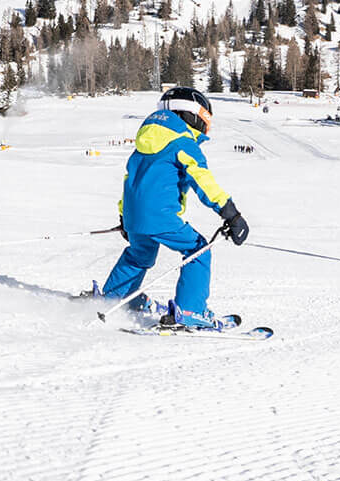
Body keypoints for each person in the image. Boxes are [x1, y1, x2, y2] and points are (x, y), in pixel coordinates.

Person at [99, 84, 250, 329]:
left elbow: (130, 182)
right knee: (198, 251)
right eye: (205, 120)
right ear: (193, 116)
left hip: (133, 217)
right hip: (161, 217)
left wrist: (124, 218)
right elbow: (203, 180)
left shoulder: (142, 146)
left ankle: (114, 298)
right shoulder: (183, 144)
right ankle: (191, 311)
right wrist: (230, 213)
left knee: (139, 255)